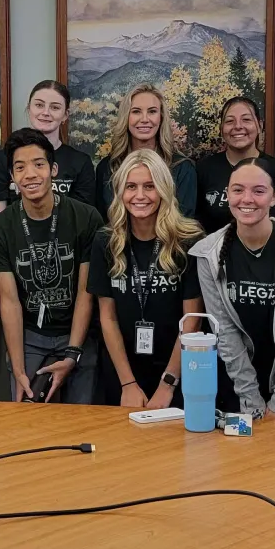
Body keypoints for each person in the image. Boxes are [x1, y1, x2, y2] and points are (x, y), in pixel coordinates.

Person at [190, 158, 275, 420]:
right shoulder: (208, 253)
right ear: (227, 194)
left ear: (274, 198)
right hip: (237, 384)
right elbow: (225, 332)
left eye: (258, 191)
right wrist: (250, 399)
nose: (247, 199)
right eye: (238, 190)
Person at [0, 128, 102, 403]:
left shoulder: (86, 217)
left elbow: (87, 292)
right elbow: (9, 301)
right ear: (12, 177)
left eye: (39, 164)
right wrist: (17, 367)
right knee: (25, 416)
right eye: (20, 167)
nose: (30, 174)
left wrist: (73, 353)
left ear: (53, 169)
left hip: (78, 332)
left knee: (82, 419)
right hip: (29, 335)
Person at [89, 149, 204, 408]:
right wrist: (128, 383)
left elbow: (192, 321)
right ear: (120, 192)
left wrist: (168, 384)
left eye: (149, 186)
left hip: (178, 370)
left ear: (163, 189)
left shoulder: (188, 240)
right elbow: (107, 317)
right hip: (123, 372)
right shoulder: (105, 241)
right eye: (131, 186)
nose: (140, 196)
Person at [0, 80, 97, 218]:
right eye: (39, 105)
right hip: (14, 238)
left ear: (65, 115)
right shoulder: (5, 157)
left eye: (55, 107)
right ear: (29, 108)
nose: (45, 112)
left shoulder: (81, 162)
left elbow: (83, 219)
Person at [195, 95, 275, 235]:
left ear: (259, 126)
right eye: (230, 121)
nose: (238, 126)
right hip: (214, 253)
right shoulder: (203, 170)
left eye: (246, 120)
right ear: (221, 129)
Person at [94, 84, 198, 215]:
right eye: (136, 111)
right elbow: (103, 222)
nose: (144, 119)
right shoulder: (107, 168)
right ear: (126, 117)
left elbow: (185, 223)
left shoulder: (182, 168)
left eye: (152, 111)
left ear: (161, 117)